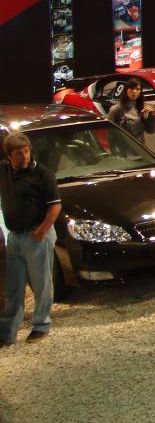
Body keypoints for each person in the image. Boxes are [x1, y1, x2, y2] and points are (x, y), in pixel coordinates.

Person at [0, 132, 61, 345]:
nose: (24, 156)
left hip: (37, 235)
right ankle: (7, 332)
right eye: (19, 153)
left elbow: (55, 206)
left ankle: (41, 325)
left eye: (26, 151)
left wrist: (41, 232)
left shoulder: (42, 174)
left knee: (41, 283)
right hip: (15, 237)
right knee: (13, 287)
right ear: (9, 156)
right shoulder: (4, 171)